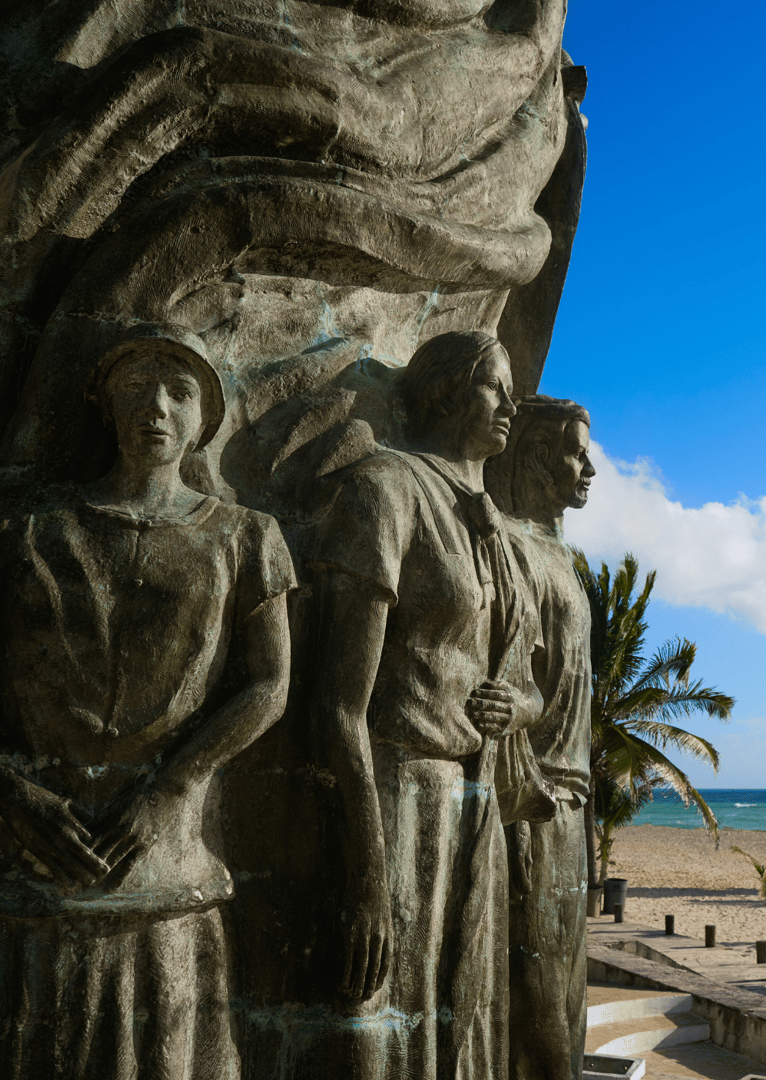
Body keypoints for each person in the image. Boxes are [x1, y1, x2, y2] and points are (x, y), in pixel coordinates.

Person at [0, 330, 296, 1080]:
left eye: (179, 392)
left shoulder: (246, 537)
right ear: (103, 407)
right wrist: (9, 788)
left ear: (204, 419)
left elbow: (268, 684)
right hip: (20, 867)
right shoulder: (22, 523)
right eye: (135, 389)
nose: (155, 407)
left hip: (165, 871)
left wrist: (170, 790)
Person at [310, 330, 540, 1080]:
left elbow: (531, 684)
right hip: (401, 795)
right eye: (494, 386)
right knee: (388, 1024)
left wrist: (517, 706)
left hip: (479, 805)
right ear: (444, 391)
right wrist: (368, 876)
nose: (510, 405)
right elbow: (339, 705)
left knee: (468, 1022)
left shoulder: (503, 535)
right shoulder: (387, 488)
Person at [484, 395, 594, 1080]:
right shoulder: (509, 544)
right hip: (535, 799)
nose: (590, 469)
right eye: (577, 454)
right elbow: (504, 673)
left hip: (571, 798)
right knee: (540, 989)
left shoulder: (559, 552)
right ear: (536, 455)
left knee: (568, 993)